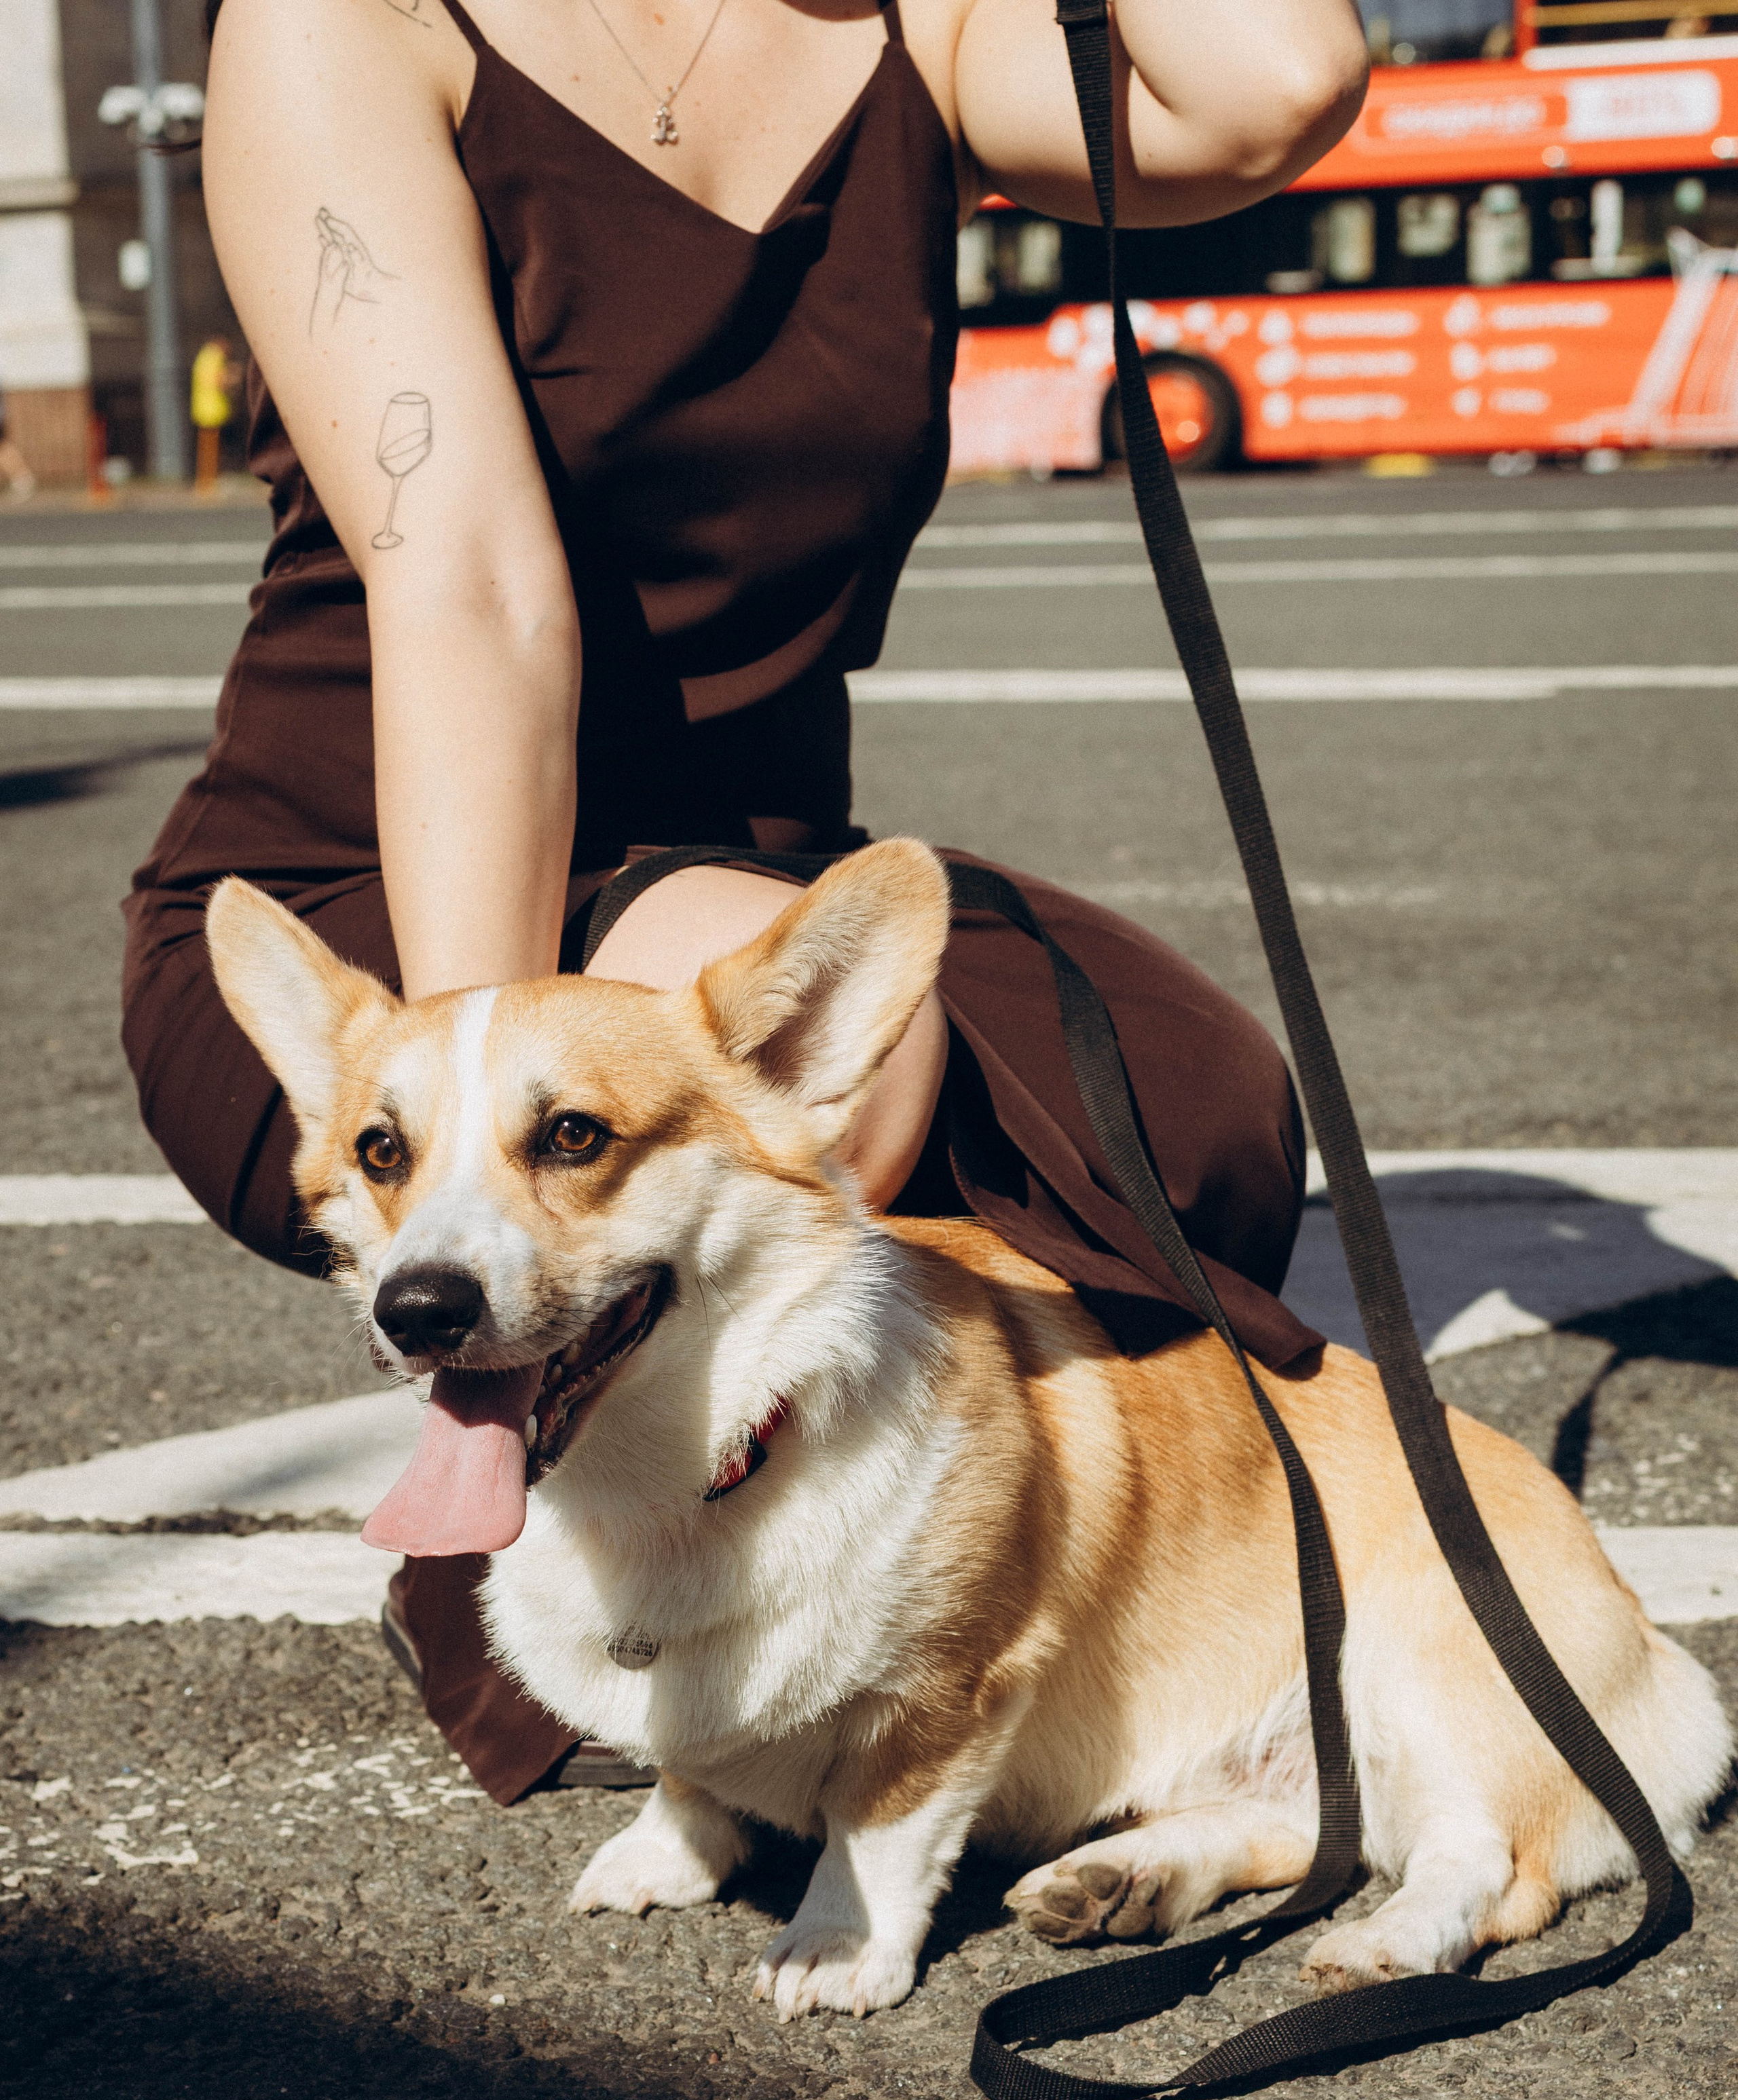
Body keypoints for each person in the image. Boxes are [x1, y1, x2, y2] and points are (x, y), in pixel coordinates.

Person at [122, 0, 1368, 1804]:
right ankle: (530, 1552)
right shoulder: (355, 23)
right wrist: (481, 1192)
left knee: (1194, 1125)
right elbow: (474, 591)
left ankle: (889, 1553)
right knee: (862, 1091)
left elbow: (1269, 85)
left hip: (736, 885)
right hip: (395, 890)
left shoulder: (919, 30)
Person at [189, 335, 238, 491]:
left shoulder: (204, 356)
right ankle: (208, 482)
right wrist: (233, 376)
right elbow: (218, 381)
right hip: (211, 410)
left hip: (205, 408)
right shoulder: (214, 357)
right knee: (211, 449)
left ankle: (207, 481)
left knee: (208, 448)